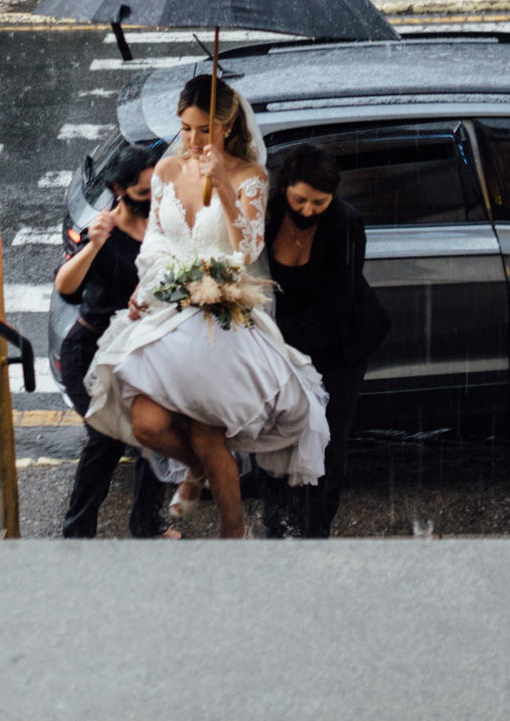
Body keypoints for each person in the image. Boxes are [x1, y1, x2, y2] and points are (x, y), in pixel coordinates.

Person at [84, 76, 329, 539]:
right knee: (148, 423)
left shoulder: (249, 176)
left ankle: (233, 531)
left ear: (227, 125)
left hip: (223, 310)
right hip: (170, 305)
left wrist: (221, 180)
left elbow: (247, 248)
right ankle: (197, 472)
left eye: (204, 129)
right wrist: (151, 286)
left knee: (204, 430)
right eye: (186, 128)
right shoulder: (166, 171)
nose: (193, 140)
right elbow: (156, 240)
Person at [259, 144, 390, 538]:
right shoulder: (266, 213)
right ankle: (276, 522)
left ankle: (316, 530)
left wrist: (284, 344)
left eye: (320, 201)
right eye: (300, 199)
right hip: (281, 346)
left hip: (339, 347)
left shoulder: (346, 223)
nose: (308, 210)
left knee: (327, 441)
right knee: (275, 436)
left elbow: (339, 300)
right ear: (285, 188)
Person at [53, 143, 174, 538]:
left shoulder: (162, 224)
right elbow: (66, 288)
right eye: (143, 192)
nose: (152, 197)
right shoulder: (102, 230)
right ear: (120, 189)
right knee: (105, 441)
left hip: (142, 352)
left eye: (156, 188)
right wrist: (93, 246)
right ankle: (77, 533)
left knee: (153, 437)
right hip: (90, 352)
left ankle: (147, 526)